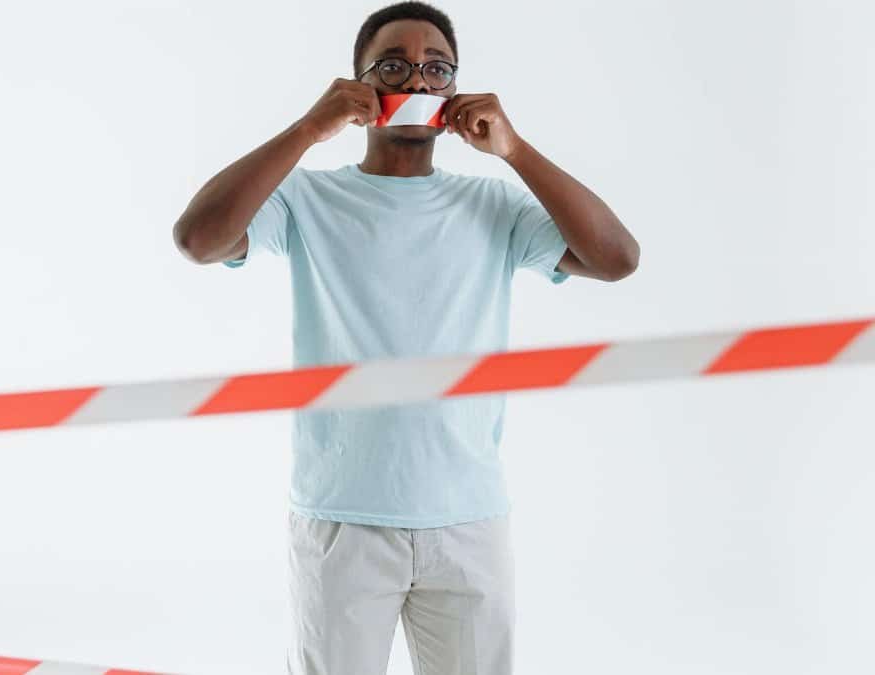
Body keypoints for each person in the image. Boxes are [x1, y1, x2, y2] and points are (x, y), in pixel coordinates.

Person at [173, 2, 639, 673]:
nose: (417, 83)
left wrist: (514, 148)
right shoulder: (306, 200)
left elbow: (616, 258)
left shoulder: (494, 208)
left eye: (436, 70)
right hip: (342, 521)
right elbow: (199, 238)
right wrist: (308, 128)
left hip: (469, 522)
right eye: (395, 66)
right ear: (360, 85)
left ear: (453, 93)